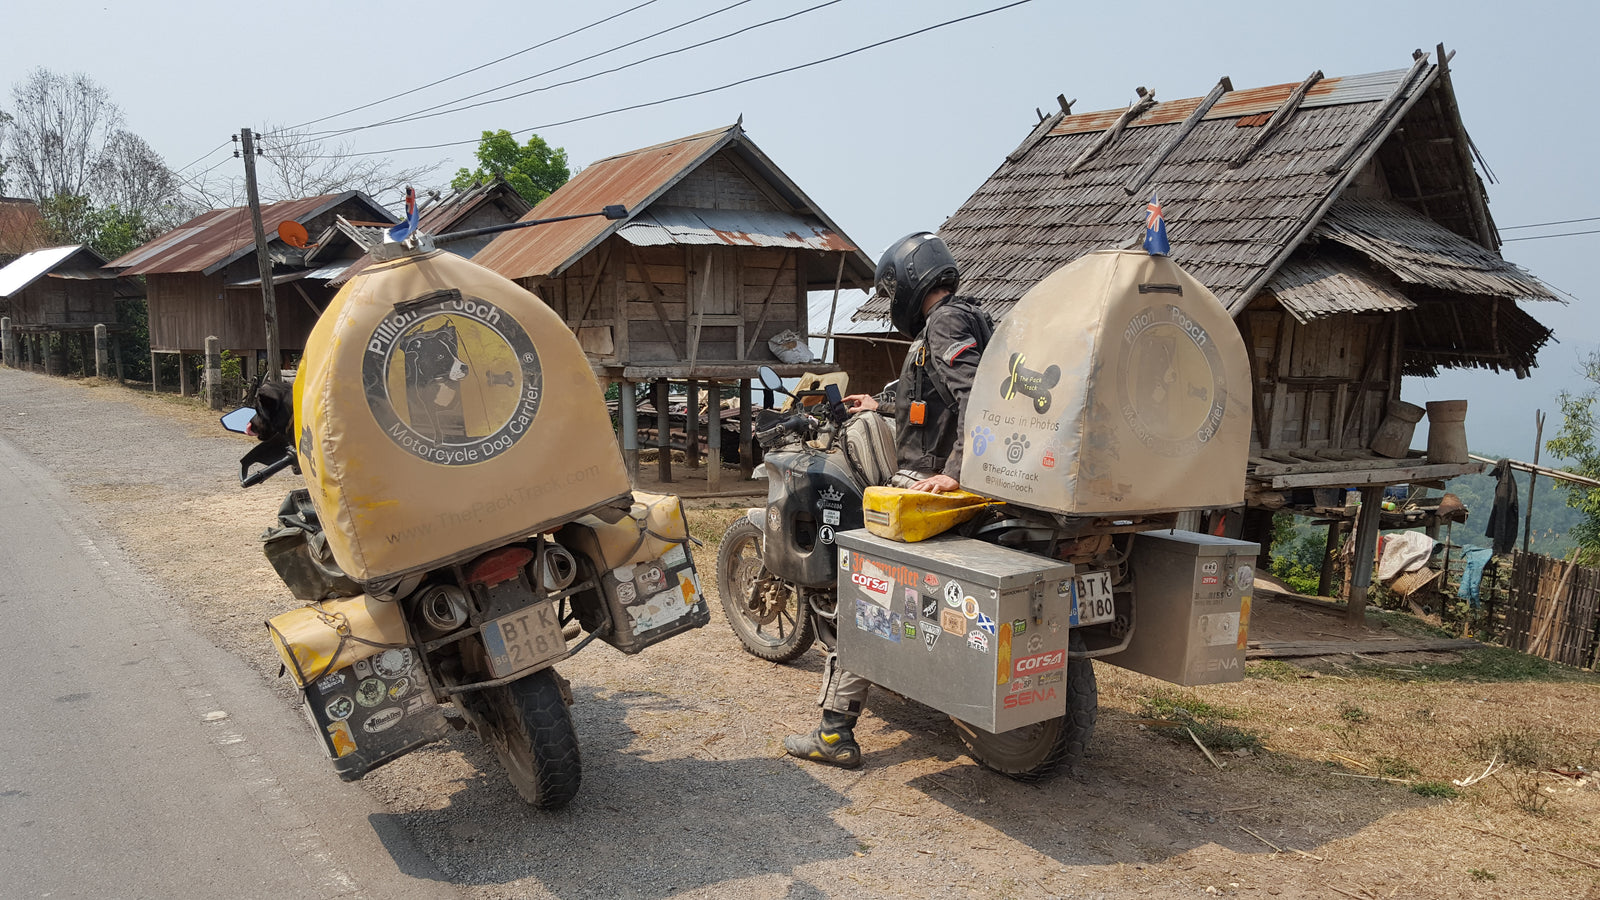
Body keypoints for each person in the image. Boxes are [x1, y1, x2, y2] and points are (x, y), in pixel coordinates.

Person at [783, 232, 992, 768]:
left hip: (927, 491)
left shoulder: (945, 323)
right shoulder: (954, 322)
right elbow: (930, 393)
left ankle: (834, 734)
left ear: (905, 282)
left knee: (867, 593)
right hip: (937, 484)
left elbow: (974, 397)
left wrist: (953, 473)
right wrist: (875, 401)